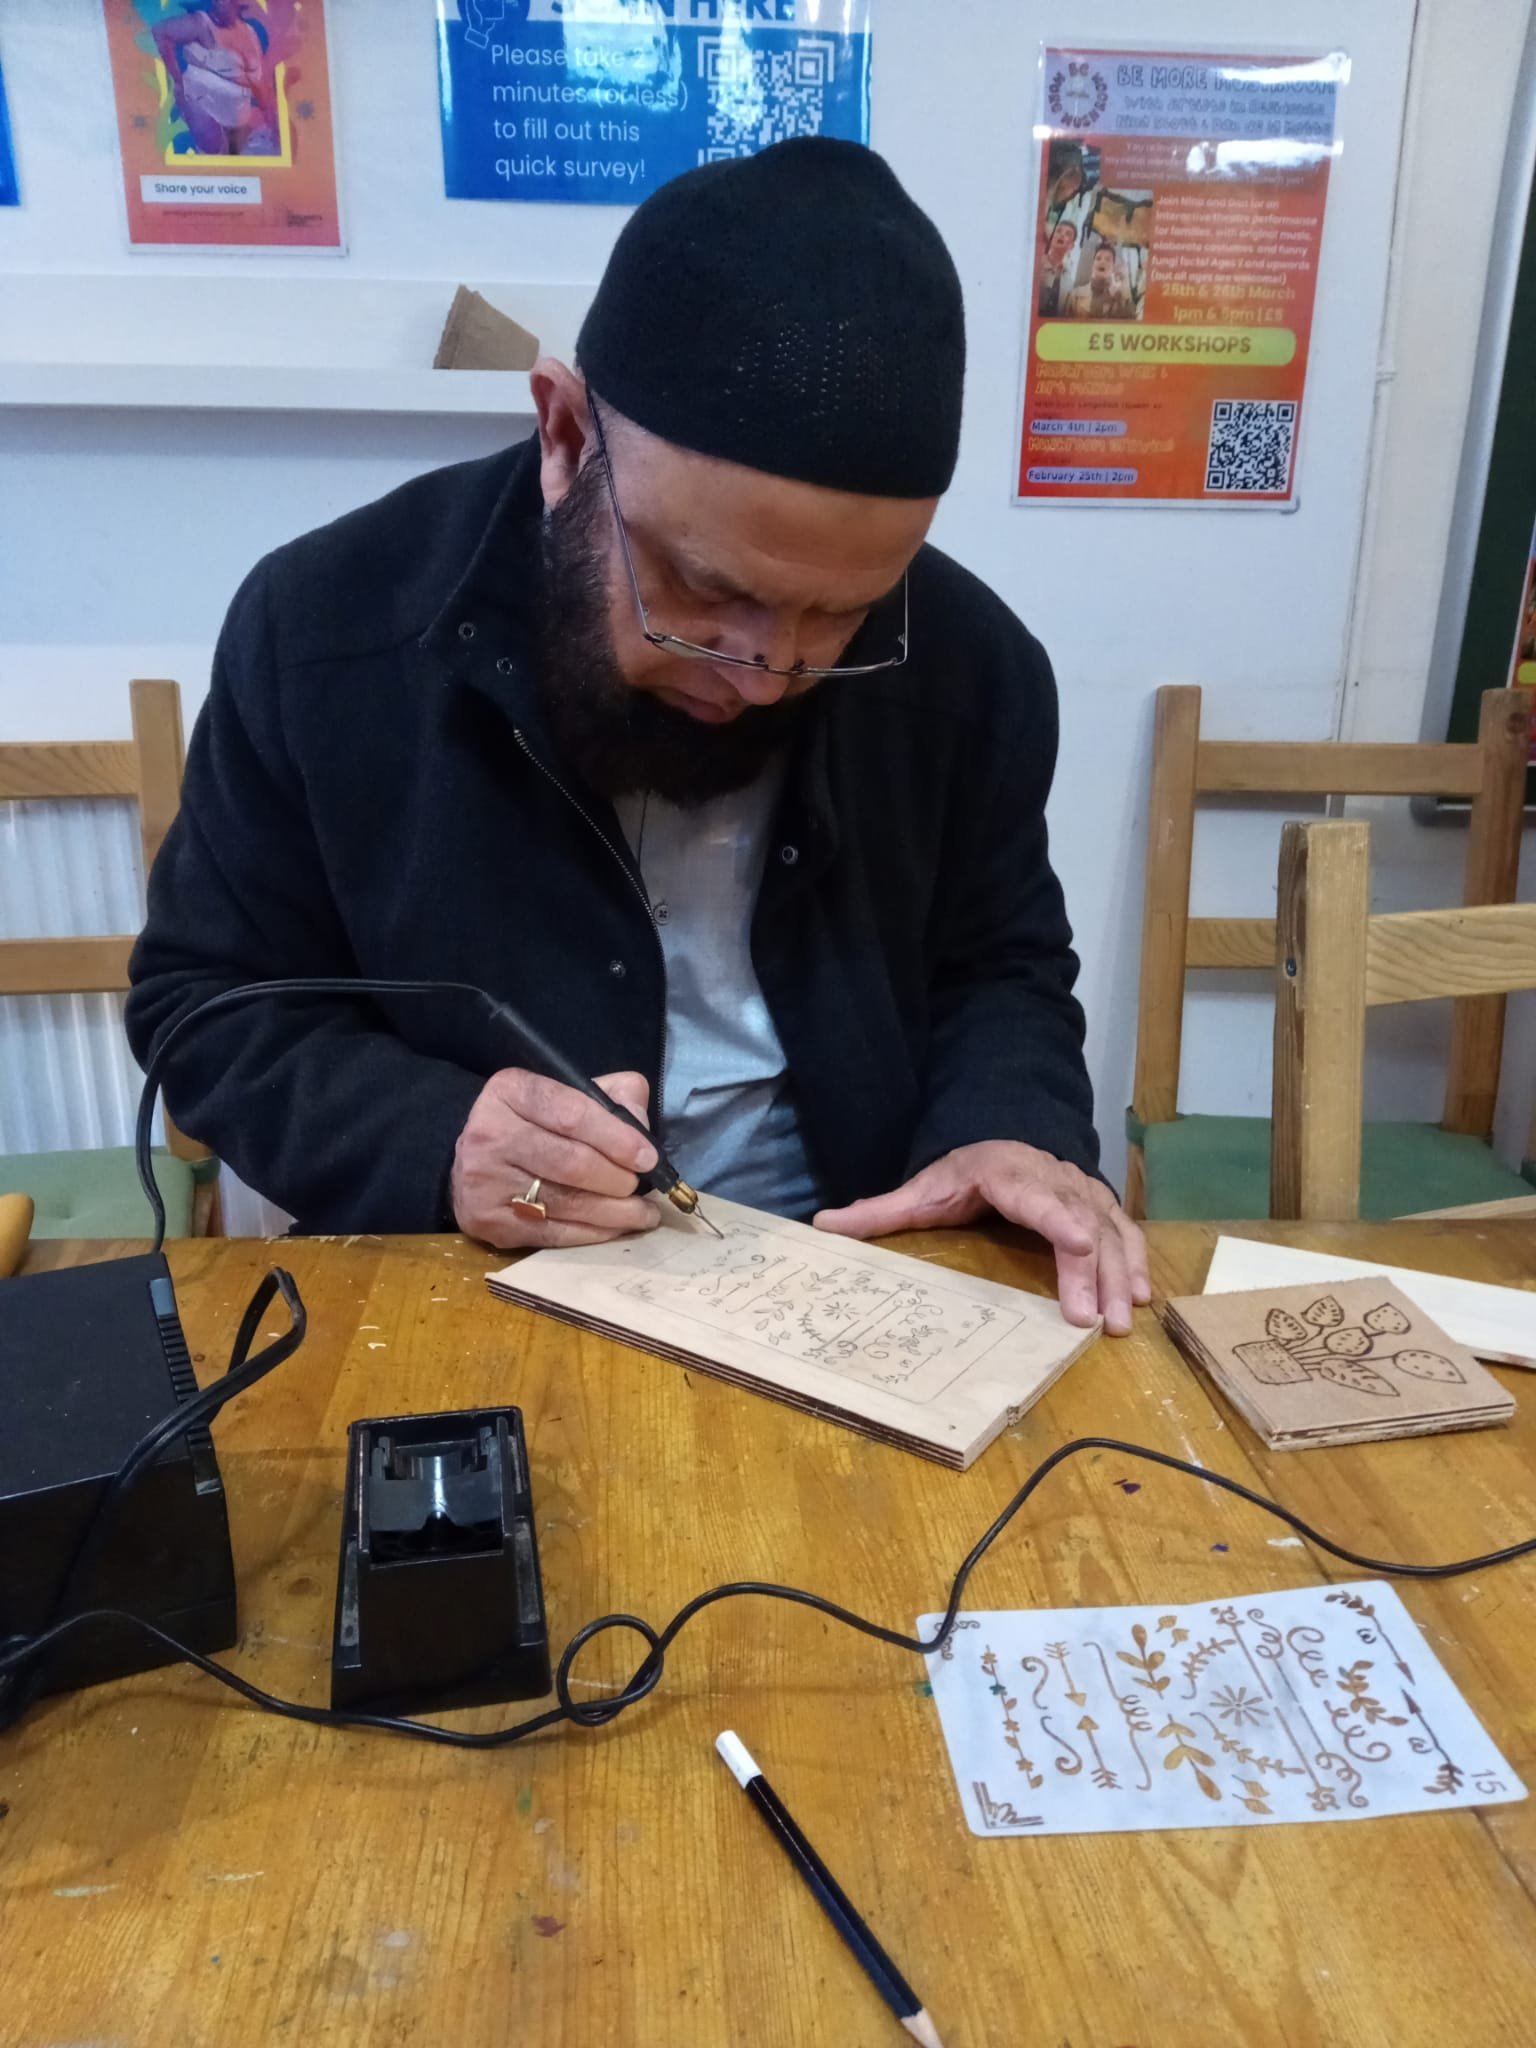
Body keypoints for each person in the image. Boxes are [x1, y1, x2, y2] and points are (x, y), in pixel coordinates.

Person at [127, 140, 1150, 1335]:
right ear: (564, 438)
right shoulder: (323, 630)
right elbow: (209, 1004)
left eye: (840, 615)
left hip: (856, 1277)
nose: (769, 674)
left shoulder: (972, 666)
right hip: (477, 1272)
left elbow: (999, 965)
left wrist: (1006, 1126)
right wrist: (438, 1136)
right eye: (700, 590)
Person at [152, 0, 275, 158]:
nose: (218, 3)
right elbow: (160, 32)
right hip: (202, 106)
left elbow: (259, 81)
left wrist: (270, 117)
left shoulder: (250, 32)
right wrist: (176, 79)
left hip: (237, 117)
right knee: (213, 153)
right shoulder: (200, 23)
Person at [1066, 241, 1136, 320]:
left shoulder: (1121, 298)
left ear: (1113, 267)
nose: (1102, 262)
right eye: (1098, 258)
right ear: (1093, 264)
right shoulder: (1075, 296)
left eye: (1108, 259)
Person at [1038, 219, 1078, 318]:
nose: (1062, 235)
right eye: (1058, 231)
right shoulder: (1037, 267)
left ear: (1071, 245)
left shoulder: (1069, 281)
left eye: (1068, 234)